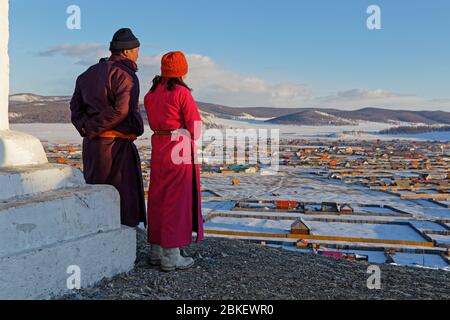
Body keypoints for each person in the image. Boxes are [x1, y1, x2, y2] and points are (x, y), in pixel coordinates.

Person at [70, 28, 146, 228]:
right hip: (115, 147)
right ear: (126, 51)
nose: (138, 53)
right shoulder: (126, 75)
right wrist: (96, 128)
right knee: (120, 196)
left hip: (92, 145)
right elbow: (122, 111)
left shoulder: (85, 75)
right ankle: (117, 246)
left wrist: (87, 128)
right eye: (137, 49)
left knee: (95, 190)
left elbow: (75, 108)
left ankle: (94, 233)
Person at [144, 51, 204, 272]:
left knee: (158, 196)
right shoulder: (181, 92)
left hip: (158, 146)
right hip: (179, 146)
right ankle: (171, 255)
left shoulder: (151, 93)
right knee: (176, 200)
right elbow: (195, 129)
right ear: (182, 71)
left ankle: (156, 250)